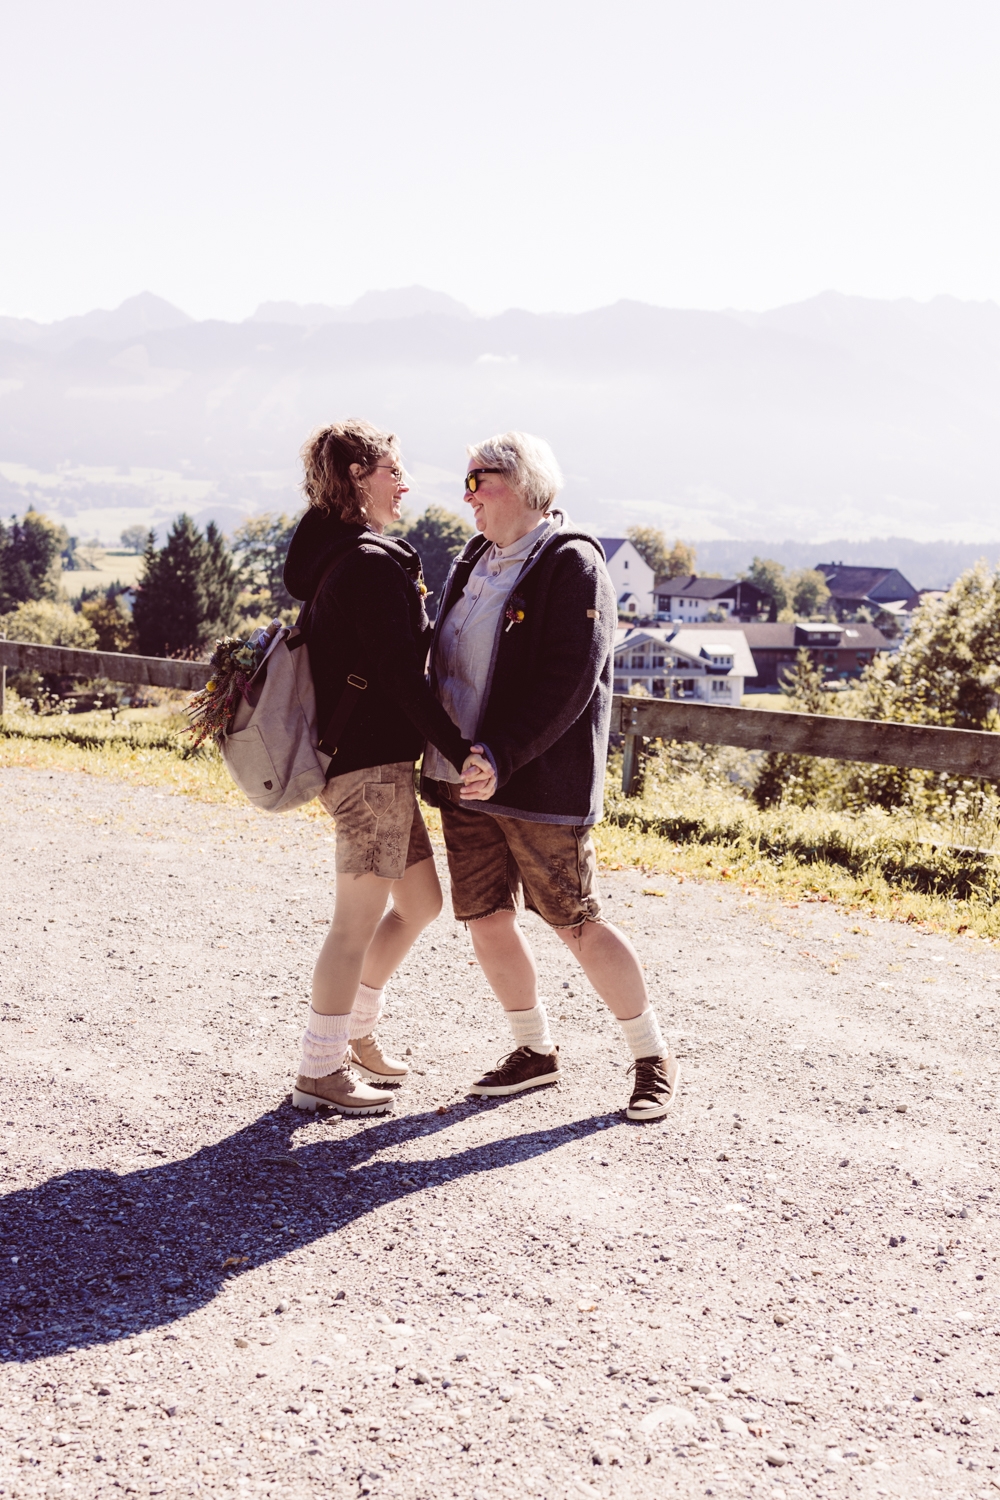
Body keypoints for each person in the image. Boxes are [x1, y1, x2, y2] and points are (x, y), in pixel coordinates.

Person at [422, 431, 679, 1120]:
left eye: (480, 479)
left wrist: (501, 755)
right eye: (466, 480)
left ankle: (651, 1056)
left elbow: (570, 680)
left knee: (574, 921)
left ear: (525, 484)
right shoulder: (471, 561)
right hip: (460, 777)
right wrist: (453, 753)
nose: (467, 494)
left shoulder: (571, 565)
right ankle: (534, 1052)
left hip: (535, 784)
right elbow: (442, 665)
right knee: (486, 920)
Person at [283, 419, 491, 1116]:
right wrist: (461, 754)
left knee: (422, 903)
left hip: (381, 766)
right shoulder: (367, 565)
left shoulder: (351, 553)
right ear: (355, 478)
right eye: (391, 470)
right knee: (354, 922)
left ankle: (356, 1034)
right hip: (367, 768)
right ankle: (320, 1069)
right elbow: (404, 679)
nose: (404, 483)